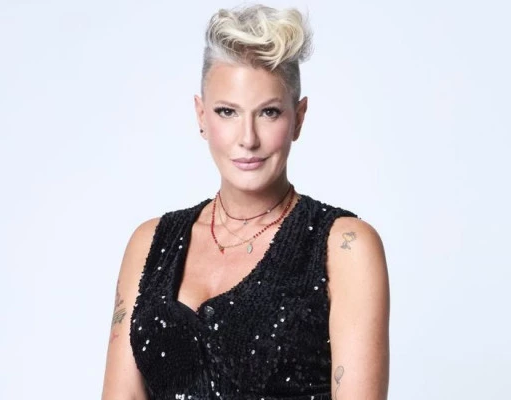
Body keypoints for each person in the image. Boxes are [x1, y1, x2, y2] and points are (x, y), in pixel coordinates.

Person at [101, 4, 389, 400]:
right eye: (227, 112)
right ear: (201, 116)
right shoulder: (150, 243)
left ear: (299, 117)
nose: (248, 139)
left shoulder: (344, 247)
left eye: (269, 112)